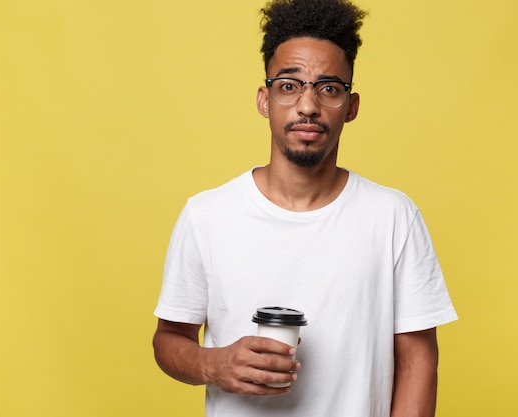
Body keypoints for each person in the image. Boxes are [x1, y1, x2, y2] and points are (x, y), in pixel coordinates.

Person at [152, 0, 458, 416]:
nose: (308, 105)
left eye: (329, 87)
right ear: (265, 100)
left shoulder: (393, 217)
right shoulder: (207, 215)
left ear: (351, 107)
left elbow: (417, 359)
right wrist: (214, 364)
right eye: (290, 85)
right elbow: (169, 339)